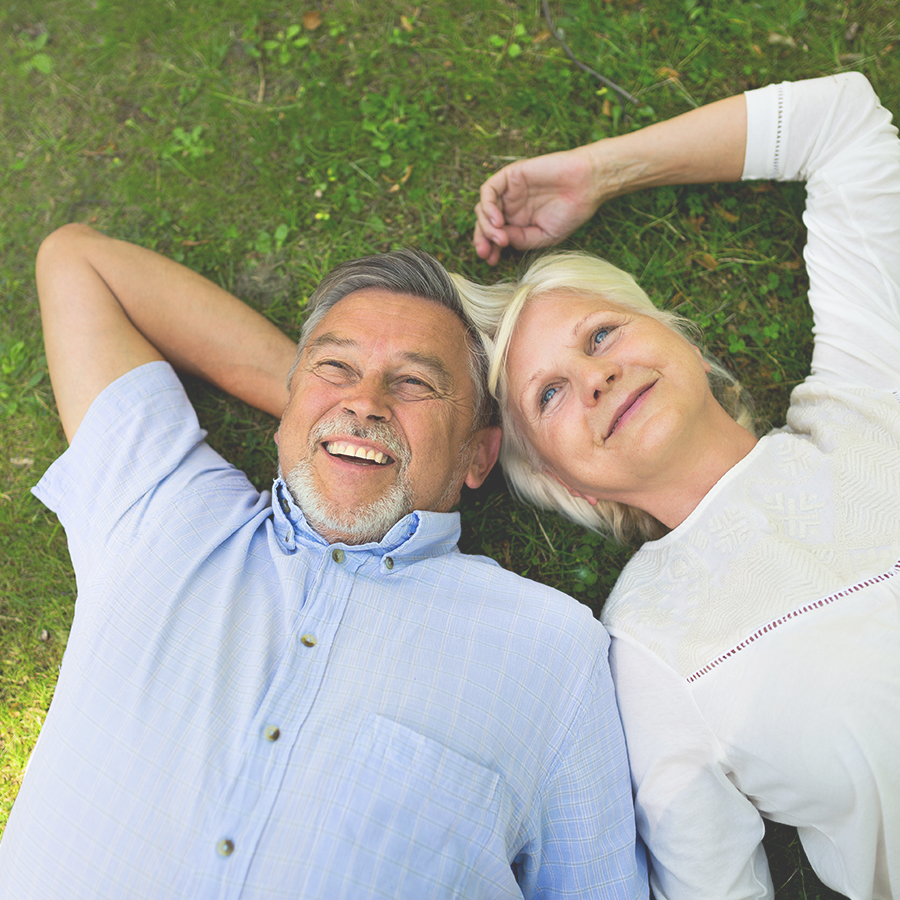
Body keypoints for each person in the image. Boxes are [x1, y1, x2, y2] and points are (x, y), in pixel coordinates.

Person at [0, 225, 649, 899]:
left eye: (415, 382)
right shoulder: (164, 510)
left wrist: (336, 416)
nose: (365, 399)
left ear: (479, 455)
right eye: (334, 367)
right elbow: (78, 262)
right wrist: (328, 423)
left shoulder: (551, 651)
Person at [462, 72, 900, 900]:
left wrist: (601, 172)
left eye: (602, 333)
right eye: (548, 395)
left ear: (682, 344)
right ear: (567, 484)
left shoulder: (871, 390)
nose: (594, 377)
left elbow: (843, 124)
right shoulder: (650, 650)